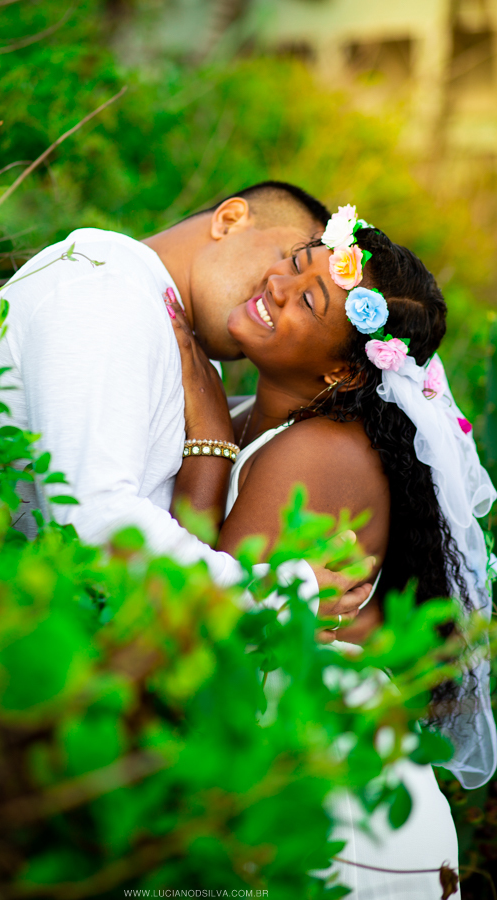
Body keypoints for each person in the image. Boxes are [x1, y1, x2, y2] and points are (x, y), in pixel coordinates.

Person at [169, 204, 497, 898]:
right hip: (303, 772)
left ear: (345, 375)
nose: (278, 287)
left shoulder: (314, 451)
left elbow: (194, 618)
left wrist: (206, 450)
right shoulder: (274, 423)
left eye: (309, 298)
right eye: (294, 263)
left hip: (339, 811)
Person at [0, 182, 371, 621]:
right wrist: (273, 602)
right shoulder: (105, 285)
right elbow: (95, 521)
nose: (276, 282)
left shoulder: (184, 346)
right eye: (289, 257)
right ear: (230, 219)